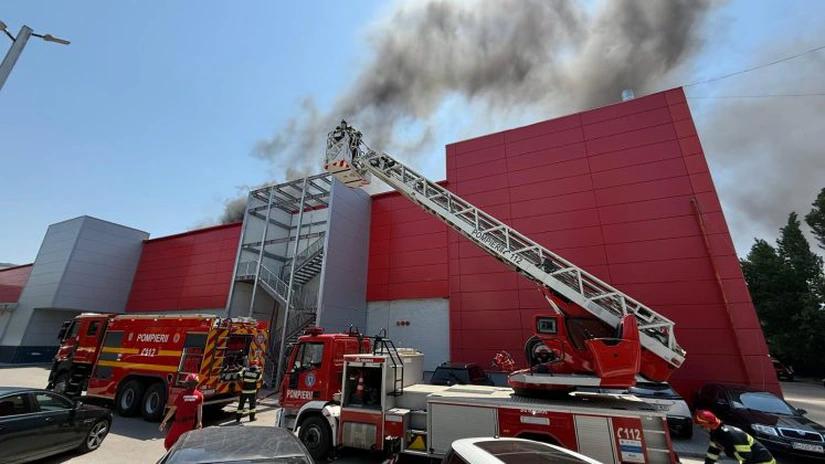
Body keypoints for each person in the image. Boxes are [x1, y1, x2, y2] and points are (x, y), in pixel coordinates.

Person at [695, 410, 775, 464]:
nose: (703, 429)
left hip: (763, 461)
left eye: (702, 426)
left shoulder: (731, 434)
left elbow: (746, 457)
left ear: (710, 424)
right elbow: (713, 452)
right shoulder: (716, 434)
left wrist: (729, 451)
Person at [159, 373, 203, 450]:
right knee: (183, 443)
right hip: (190, 423)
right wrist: (199, 422)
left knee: (168, 442)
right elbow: (199, 410)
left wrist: (164, 421)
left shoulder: (182, 395)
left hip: (179, 423)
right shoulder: (200, 395)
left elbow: (173, 409)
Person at [236, 358, 263, 422]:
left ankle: (238, 419)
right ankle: (251, 419)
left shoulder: (245, 370)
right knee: (252, 406)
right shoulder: (258, 372)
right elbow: (259, 379)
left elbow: (238, 375)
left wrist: (242, 372)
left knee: (241, 405)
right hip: (252, 392)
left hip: (244, 391)